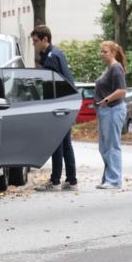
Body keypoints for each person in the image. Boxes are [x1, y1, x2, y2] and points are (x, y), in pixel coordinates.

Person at [30, 26, 77, 191]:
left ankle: (55, 181)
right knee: (65, 144)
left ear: (45, 39)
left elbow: (51, 84)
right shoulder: (56, 53)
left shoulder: (51, 56)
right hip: (67, 102)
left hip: (59, 104)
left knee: (56, 143)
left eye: (35, 41)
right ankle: (71, 181)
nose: (34, 45)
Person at [94, 40, 127, 189]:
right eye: (101, 51)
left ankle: (114, 180)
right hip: (105, 111)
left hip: (113, 109)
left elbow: (121, 90)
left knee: (112, 145)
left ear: (113, 53)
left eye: (105, 51)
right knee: (104, 146)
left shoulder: (116, 68)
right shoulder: (109, 68)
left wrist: (106, 100)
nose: (102, 54)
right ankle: (108, 178)